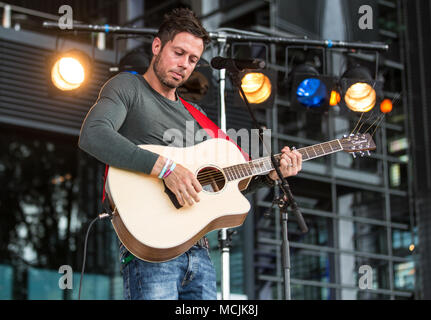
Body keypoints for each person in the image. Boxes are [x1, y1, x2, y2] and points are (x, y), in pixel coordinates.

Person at [78, 7, 302, 300]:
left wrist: (272, 175)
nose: (184, 64)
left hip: (199, 254)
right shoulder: (128, 87)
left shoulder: (196, 116)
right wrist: (166, 169)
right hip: (151, 249)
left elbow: (223, 185)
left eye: (193, 59)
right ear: (157, 46)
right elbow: (93, 134)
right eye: (178, 53)